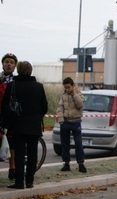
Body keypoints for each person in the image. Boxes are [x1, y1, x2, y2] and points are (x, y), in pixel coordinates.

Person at [1, 61, 48, 189]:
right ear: (30, 71)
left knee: (19, 154)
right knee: (32, 154)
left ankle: (19, 181)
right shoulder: (39, 86)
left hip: (17, 125)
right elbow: (44, 106)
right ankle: (30, 181)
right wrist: (37, 117)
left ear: (19, 70)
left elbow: (5, 105)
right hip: (34, 125)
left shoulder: (12, 85)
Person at [56, 77, 87, 173]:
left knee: (78, 143)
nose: (66, 89)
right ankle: (66, 163)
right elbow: (60, 107)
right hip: (65, 122)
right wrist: (61, 119)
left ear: (73, 86)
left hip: (76, 121)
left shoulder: (79, 94)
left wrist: (74, 94)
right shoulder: (63, 96)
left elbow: (80, 105)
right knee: (64, 144)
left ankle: (81, 163)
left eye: (68, 87)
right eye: (65, 87)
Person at [0, 53, 17, 180]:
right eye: (6, 62)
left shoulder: (16, 82)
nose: (9, 64)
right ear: (3, 64)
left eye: (11, 62)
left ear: (15, 66)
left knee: (12, 143)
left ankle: (12, 168)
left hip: (10, 116)